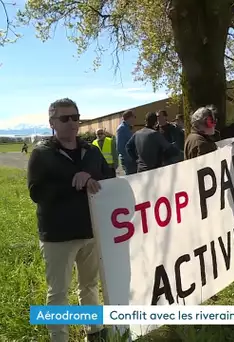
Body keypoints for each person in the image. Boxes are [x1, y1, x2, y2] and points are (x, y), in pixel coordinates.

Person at [27, 98, 112, 342]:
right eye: (65, 118)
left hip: (90, 230)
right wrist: (73, 182)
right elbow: (36, 193)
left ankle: (95, 332)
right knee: (58, 293)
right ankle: (59, 338)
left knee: (89, 285)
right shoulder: (42, 154)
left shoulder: (92, 151)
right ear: (52, 122)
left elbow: (108, 176)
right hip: (58, 235)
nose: (72, 123)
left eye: (76, 117)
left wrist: (89, 175)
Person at [115, 110, 137, 175]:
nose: (135, 119)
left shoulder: (128, 128)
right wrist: (130, 158)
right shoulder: (122, 129)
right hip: (128, 161)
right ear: (129, 118)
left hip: (132, 159)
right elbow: (120, 148)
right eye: (134, 117)